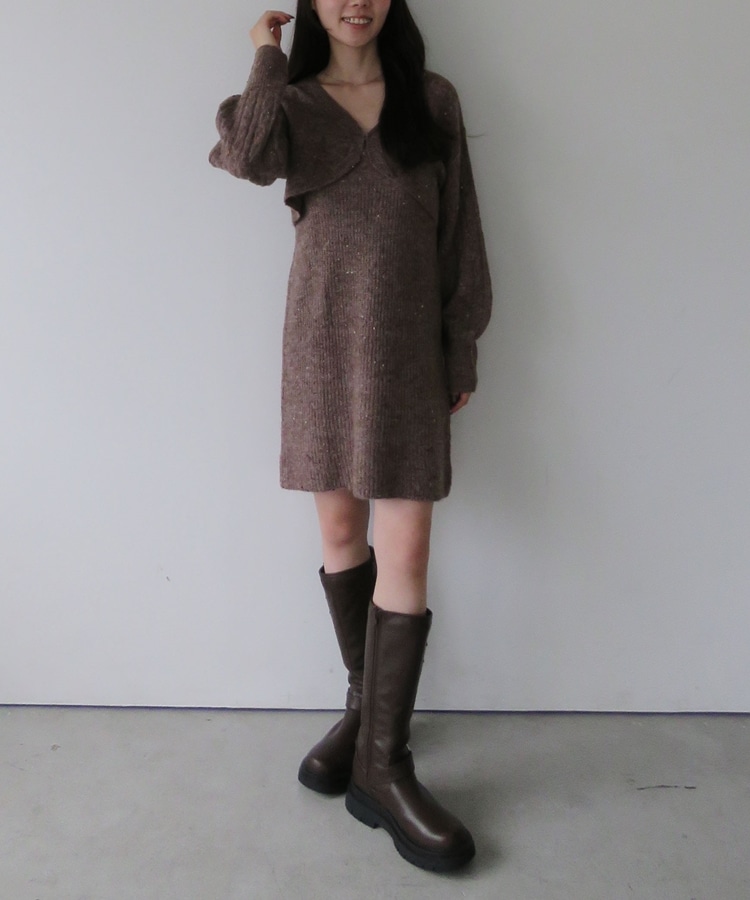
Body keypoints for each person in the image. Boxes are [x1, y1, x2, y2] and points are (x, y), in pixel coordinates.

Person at [209, 0, 492, 873]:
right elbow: (245, 156)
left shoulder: (432, 100)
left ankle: (382, 764)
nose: (355, 2)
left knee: (406, 550)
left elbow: (460, 234)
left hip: (407, 354)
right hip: (323, 348)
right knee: (341, 534)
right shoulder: (292, 106)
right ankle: (367, 716)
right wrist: (267, 55)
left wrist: (460, 345)